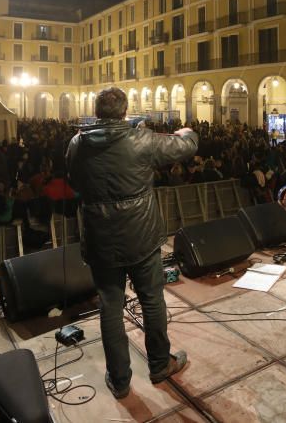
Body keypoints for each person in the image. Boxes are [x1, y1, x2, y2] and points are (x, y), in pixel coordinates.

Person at [66, 87, 198, 399]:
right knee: (152, 300)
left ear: (97, 112)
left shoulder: (77, 143)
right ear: (125, 111)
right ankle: (159, 364)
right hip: (140, 234)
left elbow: (74, 181)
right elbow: (186, 145)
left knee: (111, 306)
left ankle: (120, 380)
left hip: (101, 236)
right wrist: (188, 130)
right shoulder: (141, 139)